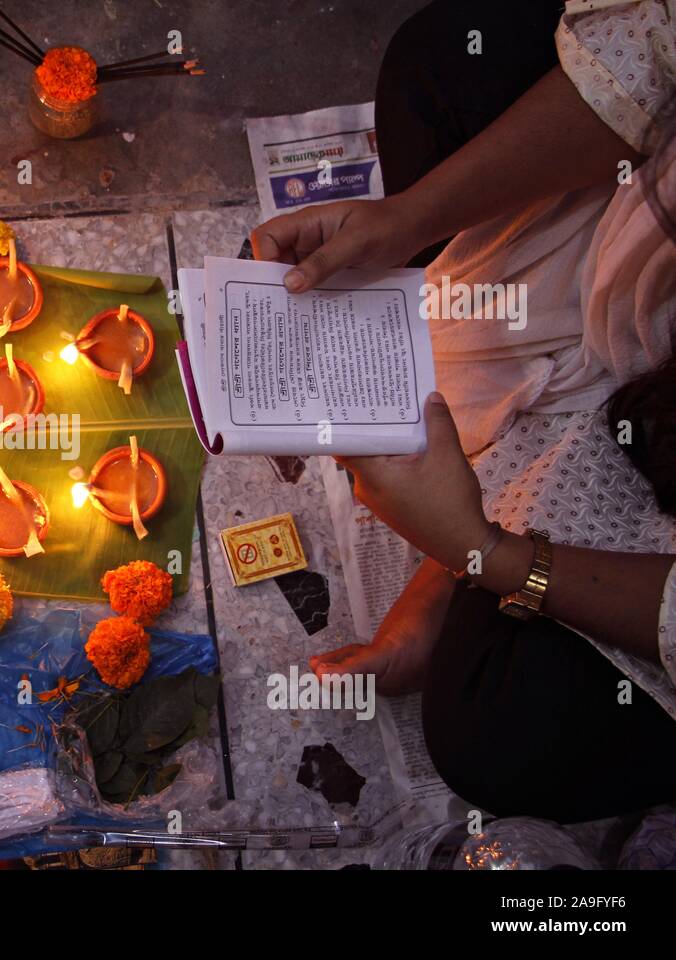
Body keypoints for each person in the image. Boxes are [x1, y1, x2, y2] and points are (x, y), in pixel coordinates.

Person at [251, 0, 676, 822]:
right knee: (444, 66)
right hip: (643, 260)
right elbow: (647, 54)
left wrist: (473, 553)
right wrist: (405, 220)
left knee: (497, 733)